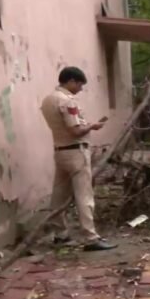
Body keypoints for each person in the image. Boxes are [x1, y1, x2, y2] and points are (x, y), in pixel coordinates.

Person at [40, 67, 117, 251]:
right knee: (85, 196)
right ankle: (91, 238)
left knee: (58, 196)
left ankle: (61, 234)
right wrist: (92, 126)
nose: (80, 89)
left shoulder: (48, 100)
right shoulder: (67, 102)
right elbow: (75, 130)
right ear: (71, 81)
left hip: (60, 151)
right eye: (80, 84)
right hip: (76, 152)